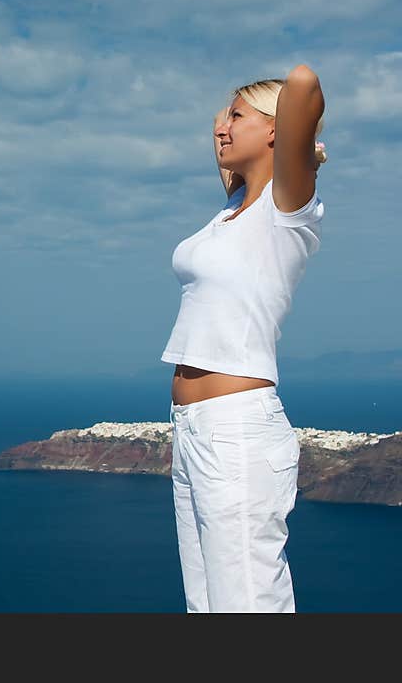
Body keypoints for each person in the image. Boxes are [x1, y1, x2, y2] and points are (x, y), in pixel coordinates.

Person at [160, 65, 328, 612]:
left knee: (248, 605)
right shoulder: (230, 213)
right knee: (206, 605)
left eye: (238, 116)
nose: (221, 128)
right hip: (191, 430)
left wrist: (299, 146)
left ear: (277, 129)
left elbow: (303, 83)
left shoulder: (286, 211)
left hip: (236, 429)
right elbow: (226, 140)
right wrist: (232, 116)